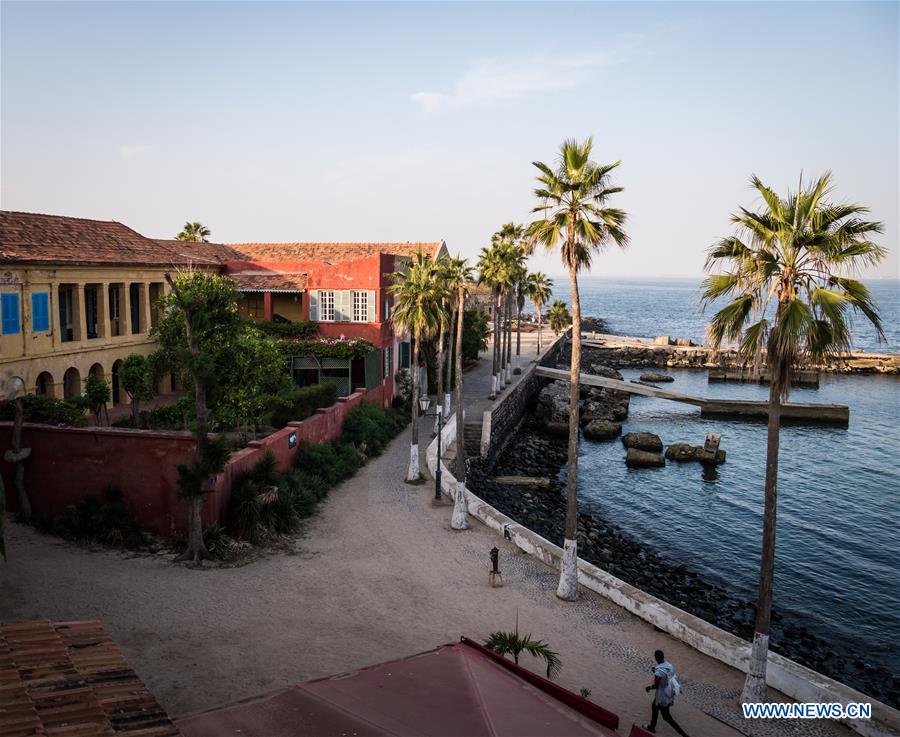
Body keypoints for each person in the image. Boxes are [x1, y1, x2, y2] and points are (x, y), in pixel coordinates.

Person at [643, 649, 689, 736]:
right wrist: (656, 670)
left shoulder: (658, 672)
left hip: (661, 696)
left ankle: (684, 734)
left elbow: (656, 685)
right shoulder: (669, 665)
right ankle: (652, 726)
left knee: (667, 717)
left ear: (656, 657)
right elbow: (667, 676)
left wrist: (649, 687)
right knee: (654, 707)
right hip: (668, 694)